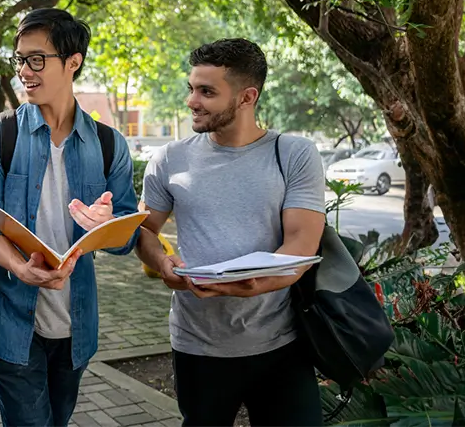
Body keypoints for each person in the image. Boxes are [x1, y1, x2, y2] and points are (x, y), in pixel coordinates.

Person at [134, 38, 327, 426]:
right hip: (197, 345)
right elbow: (144, 232)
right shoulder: (170, 158)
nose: (192, 100)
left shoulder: (294, 154)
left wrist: (255, 285)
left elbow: (301, 245)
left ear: (246, 96)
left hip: (281, 344)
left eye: (207, 91)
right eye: (192, 88)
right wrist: (162, 262)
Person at [0, 8, 140, 427]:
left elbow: (128, 234)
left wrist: (105, 228)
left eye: (36, 59)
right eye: (20, 59)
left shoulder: (108, 144)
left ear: (73, 61)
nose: (24, 70)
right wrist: (18, 268)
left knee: (57, 420)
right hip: (10, 316)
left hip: (76, 324)